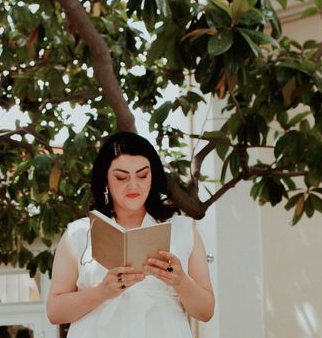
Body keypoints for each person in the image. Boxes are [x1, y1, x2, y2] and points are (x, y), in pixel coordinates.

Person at [46, 131, 214, 337]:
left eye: (142, 175)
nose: (133, 185)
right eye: (121, 177)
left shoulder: (183, 229)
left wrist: (180, 281)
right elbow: (54, 311)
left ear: (153, 177)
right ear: (105, 180)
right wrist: (102, 292)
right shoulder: (79, 233)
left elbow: (206, 311)